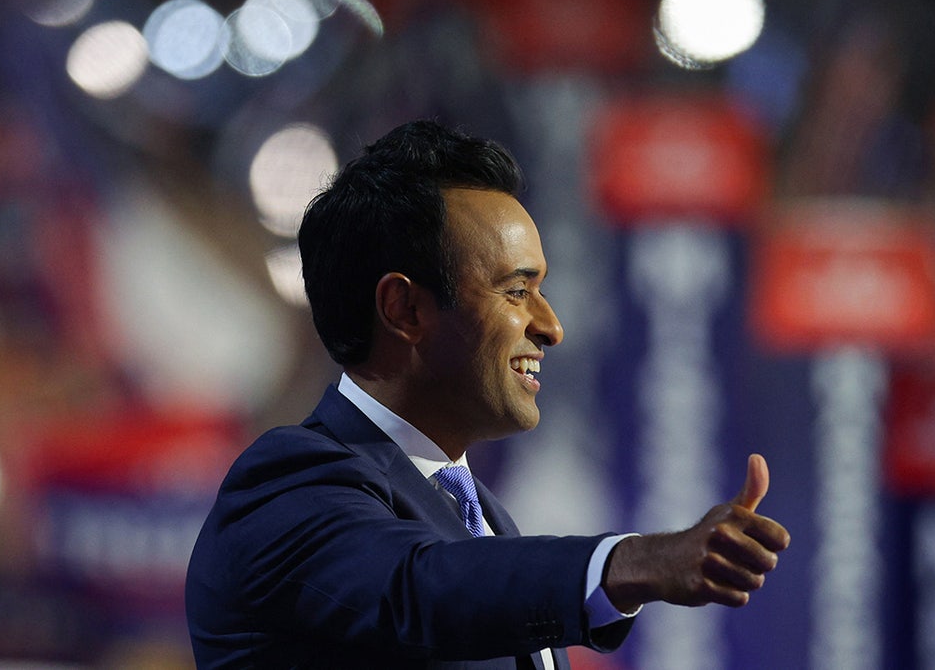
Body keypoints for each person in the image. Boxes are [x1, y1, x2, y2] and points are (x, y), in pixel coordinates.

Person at [185, 120, 791, 669]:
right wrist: (634, 562)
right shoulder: (285, 486)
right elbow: (419, 591)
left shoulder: (480, 520)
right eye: (516, 291)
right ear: (405, 309)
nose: (552, 327)